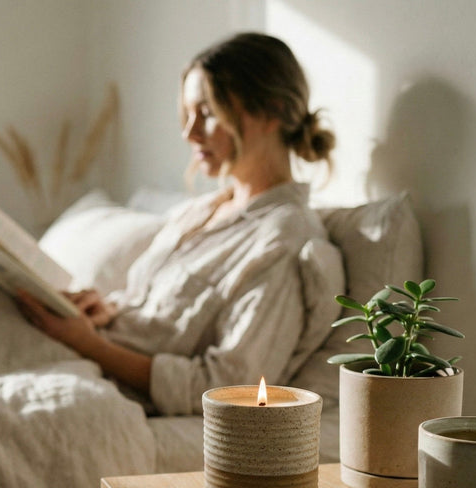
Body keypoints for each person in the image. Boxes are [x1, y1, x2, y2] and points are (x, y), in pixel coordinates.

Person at [17, 32, 336, 415]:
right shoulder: (199, 211)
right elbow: (153, 311)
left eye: (209, 113)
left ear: (271, 111)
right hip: (81, 353)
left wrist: (91, 346)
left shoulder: (285, 239)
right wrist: (104, 311)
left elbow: (229, 387)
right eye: (189, 114)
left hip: (103, 381)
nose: (190, 133)